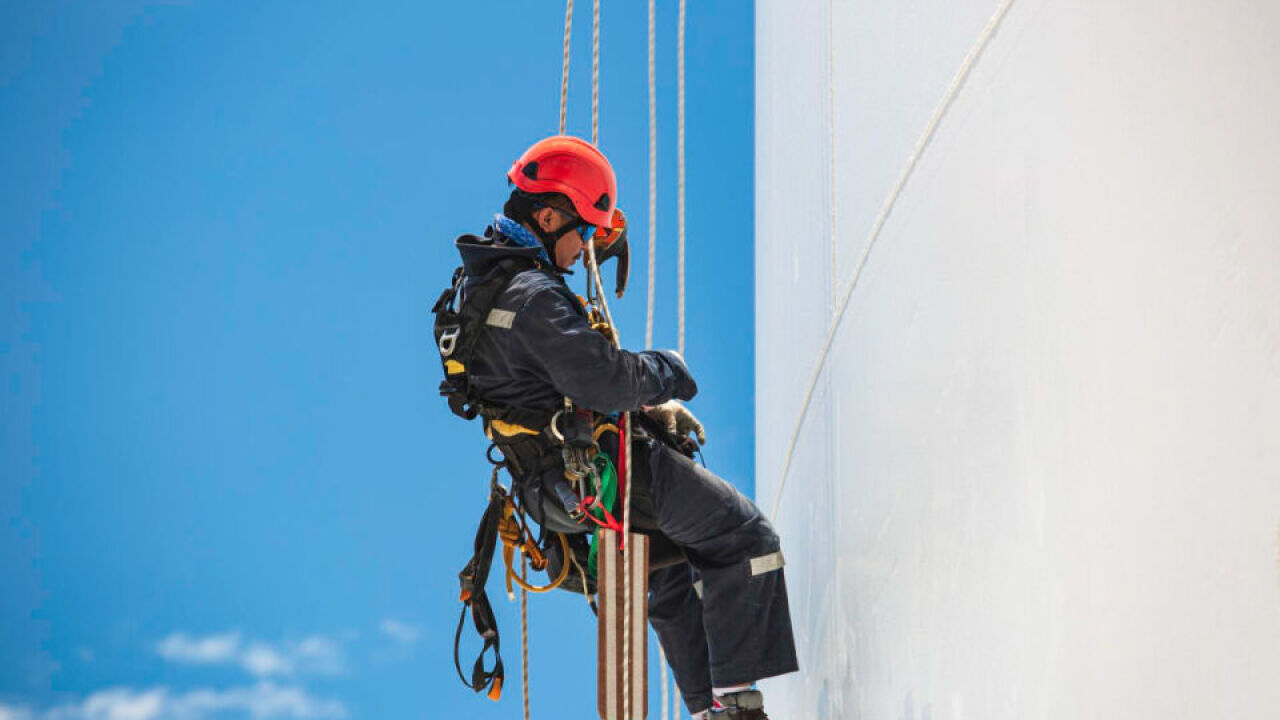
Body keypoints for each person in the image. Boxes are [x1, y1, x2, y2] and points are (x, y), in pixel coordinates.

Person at [442, 135, 797, 719]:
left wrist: (641, 411)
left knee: (670, 565)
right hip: (604, 473)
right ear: (548, 215)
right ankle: (736, 704)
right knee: (744, 535)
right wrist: (669, 374)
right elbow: (606, 382)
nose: (584, 249)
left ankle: (710, 709)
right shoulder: (532, 296)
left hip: (551, 489)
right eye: (581, 231)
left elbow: (537, 386)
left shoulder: (476, 293)